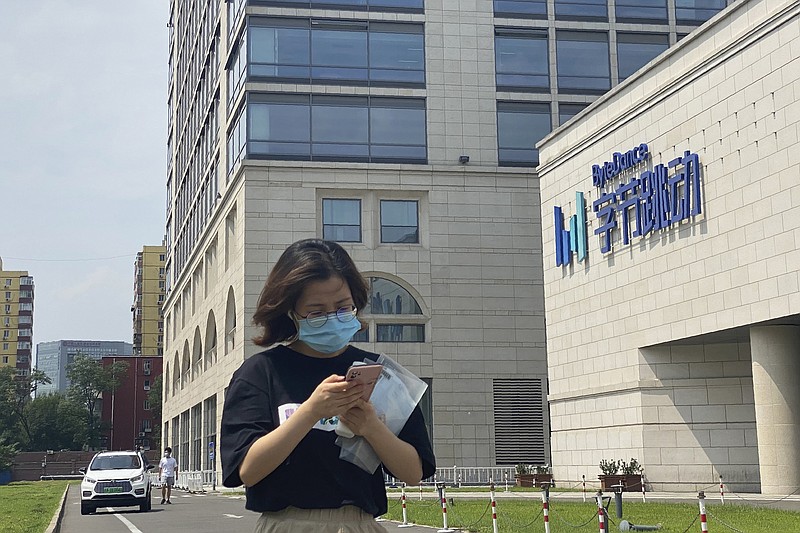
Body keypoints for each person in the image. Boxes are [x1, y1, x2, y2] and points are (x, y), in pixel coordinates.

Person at [221, 238, 435, 533]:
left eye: (343, 307)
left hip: (359, 524)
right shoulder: (261, 373)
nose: (332, 317)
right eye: (317, 312)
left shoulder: (377, 373)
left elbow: (413, 472)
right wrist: (310, 412)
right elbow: (248, 470)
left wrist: (371, 426)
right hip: (289, 524)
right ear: (291, 311)